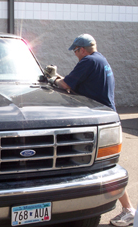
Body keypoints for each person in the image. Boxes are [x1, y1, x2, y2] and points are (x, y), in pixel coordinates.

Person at [45, 33, 136, 227]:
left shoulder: (87, 61)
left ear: (82, 49)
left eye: (75, 51)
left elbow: (67, 85)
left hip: (99, 123)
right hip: (107, 118)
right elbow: (78, 83)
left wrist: (53, 80)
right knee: (104, 169)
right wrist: (62, 78)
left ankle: (129, 210)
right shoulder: (100, 59)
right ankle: (128, 210)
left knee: (105, 169)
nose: (75, 55)